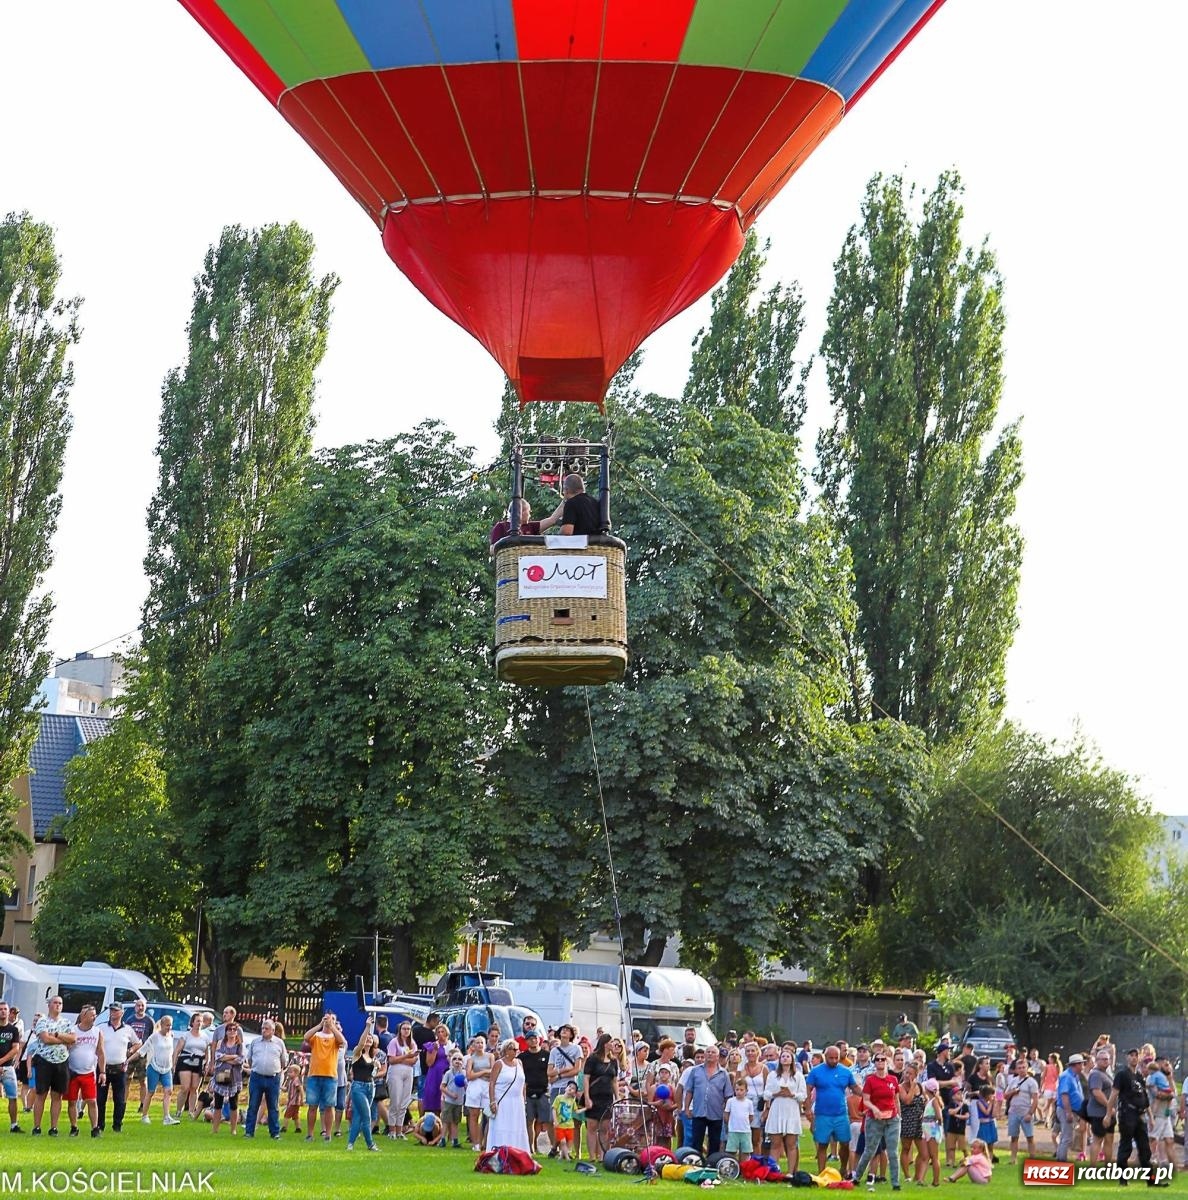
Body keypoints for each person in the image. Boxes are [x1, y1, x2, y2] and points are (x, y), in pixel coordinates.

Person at [806, 1044, 860, 1175]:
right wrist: (808, 1108)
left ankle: (843, 1168)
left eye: (836, 1058)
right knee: (822, 1144)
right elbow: (808, 1089)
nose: (834, 1061)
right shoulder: (816, 1071)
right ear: (825, 1057)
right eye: (831, 1058)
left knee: (845, 1143)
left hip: (841, 1114)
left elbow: (855, 1088)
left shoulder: (845, 1072)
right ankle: (822, 1172)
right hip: (822, 1114)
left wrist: (869, 1096)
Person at [852, 1050, 902, 1189]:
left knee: (892, 1152)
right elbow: (866, 1100)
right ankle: (857, 1177)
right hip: (874, 1119)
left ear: (887, 1062)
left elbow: (896, 1099)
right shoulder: (870, 1080)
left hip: (892, 1119)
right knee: (870, 1150)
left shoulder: (893, 1080)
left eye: (883, 1059)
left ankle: (895, 1183)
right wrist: (875, 1109)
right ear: (874, 1063)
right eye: (877, 1059)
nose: (880, 1061)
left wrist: (898, 1115)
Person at [30, 995, 74, 1136]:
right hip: (45, 1061)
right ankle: (37, 1127)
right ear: (49, 1005)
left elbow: (73, 1039)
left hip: (61, 1062)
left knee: (57, 1096)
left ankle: (53, 1128)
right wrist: (63, 1039)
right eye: (55, 1003)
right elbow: (45, 1039)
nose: (58, 1005)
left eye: (60, 1003)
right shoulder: (42, 1021)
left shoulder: (67, 1022)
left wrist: (56, 1034)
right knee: (41, 1094)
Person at [96, 1001, 140, 1133]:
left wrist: (130, 1051)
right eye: (111, 1010)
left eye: (116, 1011)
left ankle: (117, 1125)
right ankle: (99, 1125)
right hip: (103, 1068)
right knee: (100, 1098)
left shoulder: (128, 1029)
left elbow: (138, 1043)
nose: (113, 1013)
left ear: (122, 1013)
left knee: (119, 1099)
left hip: (119, 1068)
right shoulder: (101, 1028)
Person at [304, 1012, 346, 1142]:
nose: (329, 1021)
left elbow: (342, 1042)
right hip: (314, 1075)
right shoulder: (316, 1036)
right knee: (312, 1106)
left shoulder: (335, 1037)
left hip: (330, 1076)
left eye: (332, 1019)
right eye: (327, 1018)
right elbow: (306, 1037)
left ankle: (328, 1135)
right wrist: (320, 1025)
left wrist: (332, 1027)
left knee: (329, 1106)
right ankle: (310, 1134)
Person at [244, 1017, 288, 1140]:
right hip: (257, 1077)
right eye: (263, 1028)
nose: (264, 1030)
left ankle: (275, 1133)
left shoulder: (279, 1043)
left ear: (273, 1030)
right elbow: (250, 1059)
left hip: (273, 1078)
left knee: (273, 1106)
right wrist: (257, 1068)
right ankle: (249, 1132)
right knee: (253, 1105)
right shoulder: (255, 1042)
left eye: (267, 1028)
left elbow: (283, 1061)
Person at [764, 1050, 806, 1174]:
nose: (785, 1059)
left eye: (788, 1057)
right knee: (775, 1143)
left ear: (792, 1059)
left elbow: (803, 1095)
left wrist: (792, 1094)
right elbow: (766, 1093)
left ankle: (791, 1172)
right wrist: (776, 1094)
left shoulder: (798, 1076)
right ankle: (773, 1171)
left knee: (791, 1144)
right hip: (777, 1108)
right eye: (783, 1056)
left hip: (791, 1109)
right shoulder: (773, 1075)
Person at [65, 1004, 104, 1138]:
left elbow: (100, 1052)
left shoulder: (97, 1032)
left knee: (92, 1101)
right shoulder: (72, 1030)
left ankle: (95, 1128)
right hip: (73, 1072)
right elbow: (66, 1048)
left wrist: (102, 1072)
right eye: (92, 1015)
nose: (94, 1017)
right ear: (83, 1016)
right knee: (72, 1101)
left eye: (95, 1014)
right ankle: (74, 1127)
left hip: (89, 1072)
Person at [487, 1038, 530, 1153]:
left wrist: (524, 1100)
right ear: (506, 1050)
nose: (516, 1051)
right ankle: (500, 1152)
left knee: (517, 1127)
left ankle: (517, 1153)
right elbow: (492, 1084)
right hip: (503, 1101)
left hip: (517, 1101)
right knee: (502, 1126)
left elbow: (522, 1084)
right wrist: (492, 1101)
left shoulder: (519, 1063)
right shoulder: (499, 1064)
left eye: (517, 1049)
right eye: (513, 1049)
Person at [135, 1015, 178, 1125]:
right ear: (162, 1025)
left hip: (166, 1068)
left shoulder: (171, 1035)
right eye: (167, 1025)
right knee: (151, 1092)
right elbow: (142, 1050)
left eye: (170, 1025)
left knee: (168, 1091)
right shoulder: (154, 1037)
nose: (169, 1027)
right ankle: (144, 1115)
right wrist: (128, 1060)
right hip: (154, 1066)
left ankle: (166, 1117)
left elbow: (171, 1052)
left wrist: (173, 1064)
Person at [582, 1032, 619, 1161]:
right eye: (611, 1042)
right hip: (594, 1096)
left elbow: (614, 1081)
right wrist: (587, 1097)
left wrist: (617, 1097)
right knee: (592, 1126)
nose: (613, 1044)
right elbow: (586, 1079)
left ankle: (603, 1155)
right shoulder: (592, 1059)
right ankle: (592, 1156)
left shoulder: (614, 1061)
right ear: (605, 1043)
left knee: (605, 1127)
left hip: (607, 1097)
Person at [346, 1017, 380, 1152]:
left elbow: (374, 1074)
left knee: (359, 1117)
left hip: (370, 1087)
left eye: (371, 1038)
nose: (368, 1040)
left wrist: (376, 1067)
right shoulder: (357, 1053)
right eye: (367, 1038)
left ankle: (350, 1144)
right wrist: (367, 1027)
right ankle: (370, 1144)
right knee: (367, 1116)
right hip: (358, 1087)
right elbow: (360, 1045)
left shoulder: (372, 1058)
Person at [519, 1028, 552, 1154]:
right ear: (526, 1041)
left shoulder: (547, 1055)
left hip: (543, 1091)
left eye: (535, 1038)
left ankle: (550, 1147)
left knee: (547, 1120)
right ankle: (530, 1146)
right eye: (530, 1039)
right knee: (529, 1120)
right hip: (528, 1091)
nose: (533, 1041)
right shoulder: (522, 1057)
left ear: (539, 1040)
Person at [209, 1022, 244, 1135]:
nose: (232, 1031)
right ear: (226, 1031)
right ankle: (215, 1129)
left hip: (234, 1077)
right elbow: (218, 1056)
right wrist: (232, 1057)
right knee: (218, 1103)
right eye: (230, 1029)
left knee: (234, 1104)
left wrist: (226, 1058)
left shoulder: (239, 1045)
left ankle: (233, 1129)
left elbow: (240, 1059)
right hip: (221, 1074)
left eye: (234, 1029)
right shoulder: (221, 1043)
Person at [1004, 1054, 1039, 1164]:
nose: (1021, 1070)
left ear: (1027, 1068)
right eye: (1019, 1068)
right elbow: (1005, 1095)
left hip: (1025, 1111)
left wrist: (1030, 1113)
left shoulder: (1032, 1082)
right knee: (1014, 1137)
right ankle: (1013, 1159)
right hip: (1013, 1111)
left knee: (1030, 1136)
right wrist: (1013, 1092)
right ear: (1016, 1069)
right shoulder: (1013, 1081)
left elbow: (1035, 1099)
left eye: (1023, 1067)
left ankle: (1032, 1158)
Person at [385, 1020, 418, 1139]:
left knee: (404, 1102)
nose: (406, 1031)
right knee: (396, 1101)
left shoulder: (412, 1043)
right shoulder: (394, 1042)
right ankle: (392, 1130)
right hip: (396, 1072)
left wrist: (402, 1059)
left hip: (408, 1072)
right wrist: (406, 1057)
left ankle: (400, 1130)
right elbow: (392, 1060)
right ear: (400, 1030)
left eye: (408, 1029)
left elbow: (414, 1060)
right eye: (404, 1029)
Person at [173, 1013, 208, 1121]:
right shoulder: (186, 1035)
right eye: (197, 1021)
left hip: (199, 1062)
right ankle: (179, 1110)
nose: (199, 1023)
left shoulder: (205, 1036)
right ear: (192, 1022)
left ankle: (192, 1111)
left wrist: (207, 1063)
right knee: (185, 1087)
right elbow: (177, 1051)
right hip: (186, 1061)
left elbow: (207, 1052)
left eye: (201, 1021)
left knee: (195, 1088)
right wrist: (174, 1064)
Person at [1084, 1048, 1115, 1165]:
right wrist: (1109, 1106)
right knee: (1098, 1139)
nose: (1106, 1061)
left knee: (1109, 1140)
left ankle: (1108, 1167)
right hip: (1098, 1113)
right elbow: (1097, 1092)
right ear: (1097, 1060)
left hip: (1108, 1113)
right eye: (1103, 1059)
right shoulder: (1096, 1074)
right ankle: (1092, 1168)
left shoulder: (1106, 1073)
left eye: (1107, 1059)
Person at [1054, 1053, 1086, 1162]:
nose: (1083, 1066)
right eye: (1081, 1064)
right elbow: (1064, 1095)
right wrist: (1068, 1112)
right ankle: (1062, 1161)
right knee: (1066, 1138)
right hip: (1065, 1110)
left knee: (1065, 1137)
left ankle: (1060, 1158)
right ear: (1076, 1065)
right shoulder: (1067, 1076)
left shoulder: (1074, 1076)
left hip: (1071, 1110)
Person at [125, 999, 155, 1116]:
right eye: (138, 1005)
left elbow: (152, 1037)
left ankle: (143, 1104)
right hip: (130, 1053)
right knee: (127, 1079)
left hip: (143, 1055)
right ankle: (124, 1103)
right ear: (135, 1007)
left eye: (142, 1005)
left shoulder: (149, 1021)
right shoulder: (130, 1020)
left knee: (143, 1080)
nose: (140, 1007)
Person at [0, 1001, 22, 1133]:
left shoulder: (13, 1030)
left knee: (13, 1097)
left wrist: (1, 1061)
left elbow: (15, 1049)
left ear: (9, 1012)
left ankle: (14, 1125)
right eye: (0, 1009)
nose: (2, 1011)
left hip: (8, 1068)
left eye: (5, 1009)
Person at [723, 1079, 755, 1158]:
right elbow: (726, 1114)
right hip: (733, 1130)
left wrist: (746, 1124)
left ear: (746, 1091)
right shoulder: (730, 1101)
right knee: (731, 1151)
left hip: (745, 1131)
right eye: (737, 1090)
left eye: (741, 1090)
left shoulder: (749, 1103)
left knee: (745, 1152)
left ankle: (744, 1168)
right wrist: (729, 1124)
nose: (739, 1092)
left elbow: (751, 1117)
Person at [552, 1080, 582, 1160]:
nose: (570, 1089)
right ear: (565, 1088)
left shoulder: (572, 1101)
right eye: (569, 1087)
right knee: (563, 1142)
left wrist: (586, 1108)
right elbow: (554, 1109)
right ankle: (568, 1158)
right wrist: (555, 1121)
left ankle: (561, 1157)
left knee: (569, 1142)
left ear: (574, 1093)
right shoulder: (558, 1098)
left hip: (570, 1125)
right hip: (560, 1125)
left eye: (573, 1089)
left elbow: (576, 1111)